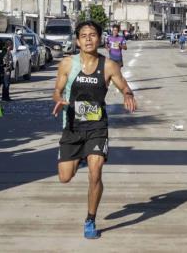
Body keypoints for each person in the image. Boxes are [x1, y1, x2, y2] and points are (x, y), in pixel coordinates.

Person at [51, 20, 137, 239]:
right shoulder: (68, 64)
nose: (88, 39)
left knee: (95, 172)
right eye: (83, 35)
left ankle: (90, 219)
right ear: (77, 40)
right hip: (72, 126)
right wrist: (60, 100)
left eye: (92, 35)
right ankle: (80, 156)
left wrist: (128, 95)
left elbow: (124, 86)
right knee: (64, 177)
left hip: (97, 126)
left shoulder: (108, 65)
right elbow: (57, 91)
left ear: (100, 39)